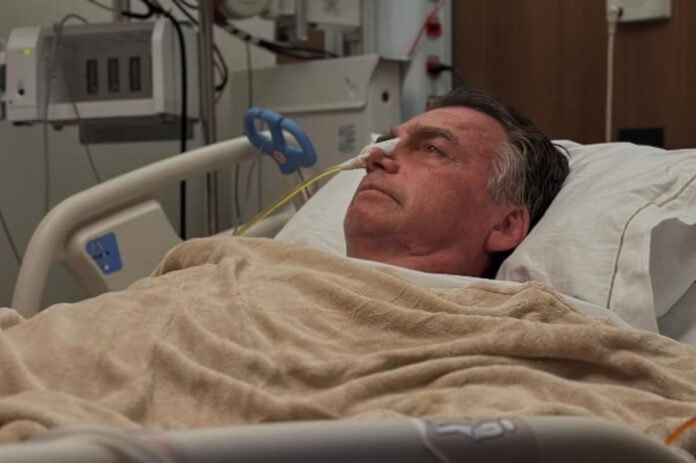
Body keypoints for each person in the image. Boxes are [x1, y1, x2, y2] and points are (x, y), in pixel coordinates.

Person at [343, 87, 569, 278]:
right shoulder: (320, 278)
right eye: (386, 144)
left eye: (432, 148)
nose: (374, 157)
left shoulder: (527, 318)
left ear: (505, 226)